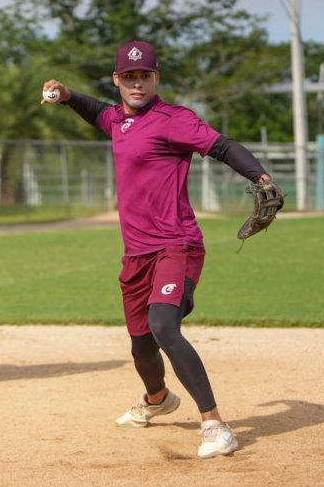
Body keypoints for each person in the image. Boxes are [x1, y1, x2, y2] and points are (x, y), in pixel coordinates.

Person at [42, 40, 281, 458]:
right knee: (140, 344)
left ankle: (216, 425)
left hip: (177, 243)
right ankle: (158, 399)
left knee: (164, 326)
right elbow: (96, 110)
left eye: (145, 75)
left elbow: (222, 146)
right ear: (118, 79)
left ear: (156, 79)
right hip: (136, 253)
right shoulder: (117, 119)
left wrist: (262, 179)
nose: (137, 83)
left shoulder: (174, 119)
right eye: (129, 76)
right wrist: (66, 96)